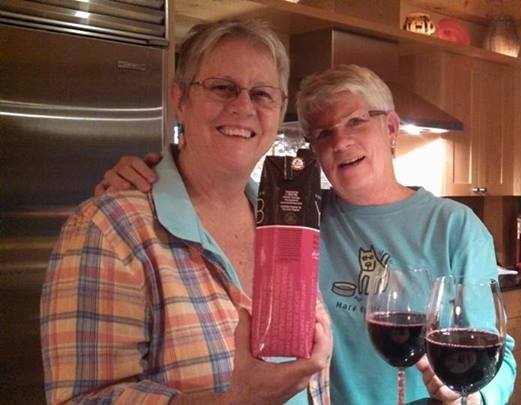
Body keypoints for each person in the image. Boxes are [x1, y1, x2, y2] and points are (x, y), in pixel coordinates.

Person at [97, 65, 517, 404]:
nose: (341, 141)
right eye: (324, 133)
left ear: (390, 128)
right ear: (313, 150)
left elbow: (498, 355)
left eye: (356, 121)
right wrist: (151, 176)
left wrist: (471, 398)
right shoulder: (295, 219)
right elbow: (210, 192)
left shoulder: (455, 228)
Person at [40, 19, 332, 405]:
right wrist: (237, 402)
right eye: (222, 87)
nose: (243, 107)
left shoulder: (287, 221)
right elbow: (82, 400)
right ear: (180, 99)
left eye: (262, 94)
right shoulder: (108, 229)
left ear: (279, 111)